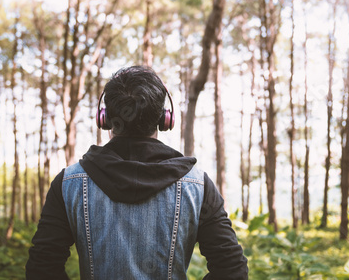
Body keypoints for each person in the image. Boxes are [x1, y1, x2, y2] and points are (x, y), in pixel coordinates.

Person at [26, 66, 248, 280]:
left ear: (104, 118)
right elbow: (232, 270)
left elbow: (42, 268)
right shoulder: (198, 186)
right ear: (164, 118)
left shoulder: (69, 183)